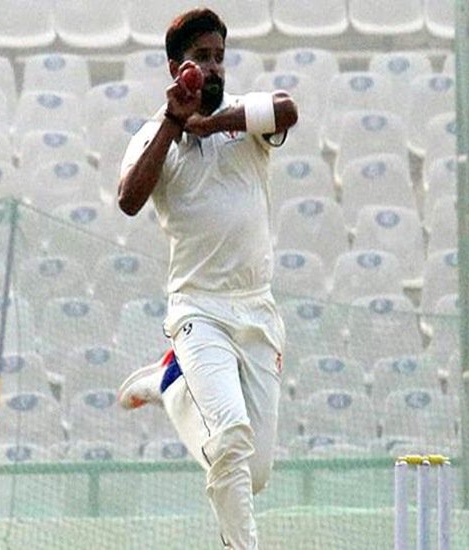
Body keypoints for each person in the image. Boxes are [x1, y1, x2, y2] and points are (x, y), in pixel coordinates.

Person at [115, 8, 298, 548]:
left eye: (219, 56)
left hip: (257, 310)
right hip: (198, 310)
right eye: (201, 57)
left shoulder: (244, 118)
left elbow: (289, 110)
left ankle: (169, 386)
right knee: (232, 437)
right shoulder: (154, 134)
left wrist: (211, 124)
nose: (214, 67)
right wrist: (175, 124)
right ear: (178, 68)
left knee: (252, 474)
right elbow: (128, 199)